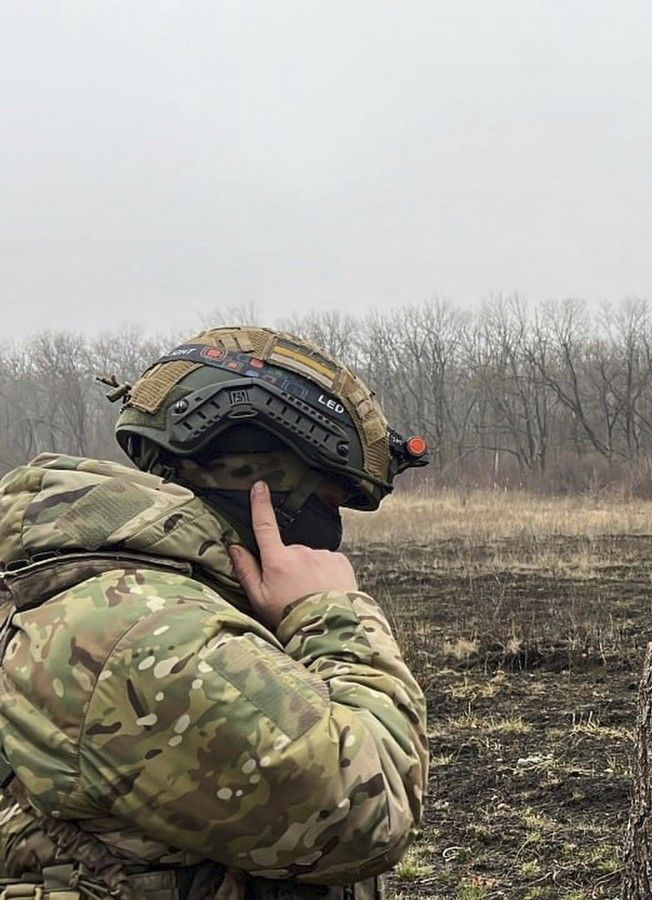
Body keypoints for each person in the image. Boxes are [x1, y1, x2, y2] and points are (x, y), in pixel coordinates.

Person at [0, 326, 431, 899]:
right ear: (261, 485)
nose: (332, 535)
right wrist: (332, 614)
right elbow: (363, 814)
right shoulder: (147, 629)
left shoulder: (116, 591)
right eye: (328, 503)